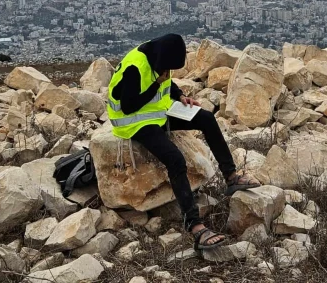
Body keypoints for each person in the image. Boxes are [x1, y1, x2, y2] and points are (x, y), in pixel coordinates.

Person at [107, 33, 260, 251]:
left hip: (156, 113)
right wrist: (156, 84)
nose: (167, 73)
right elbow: (129, 106)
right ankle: (195, 225)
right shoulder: (136, 66)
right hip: (133, 123)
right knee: (175, 160)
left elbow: (167, 83)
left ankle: (231, 175)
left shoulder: (159, 57)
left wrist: (179, 96)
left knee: (206, 119)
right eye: (166, 69)